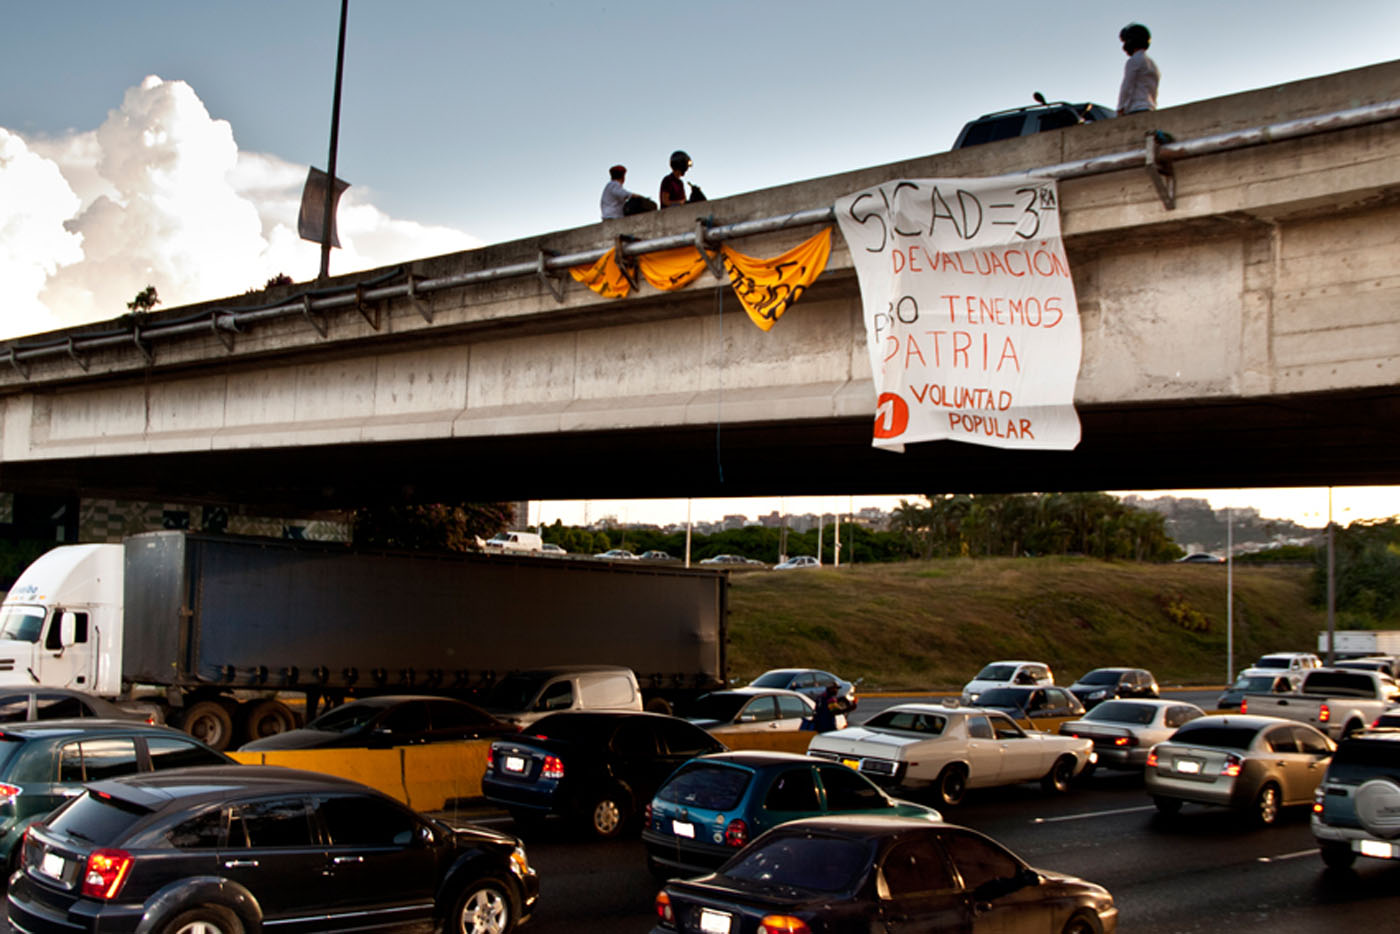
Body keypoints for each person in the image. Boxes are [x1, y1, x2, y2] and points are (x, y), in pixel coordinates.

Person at [1117, 23, 1160, 116]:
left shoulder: (1134, 61)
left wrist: (1120, 108)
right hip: (1149, 108)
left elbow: (1127, 86)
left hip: (1135, 109)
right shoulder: (1152, 64)